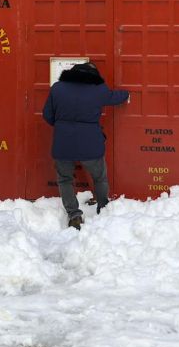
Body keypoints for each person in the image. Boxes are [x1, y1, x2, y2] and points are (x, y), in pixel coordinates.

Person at [42, 62, 129, 230]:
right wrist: (127, 94)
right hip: (90, 144)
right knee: (99, 177)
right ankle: (103, 207)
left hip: (63, 143)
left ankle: (74, 215)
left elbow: (47, 115)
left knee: (65, 179)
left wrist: (62, 125)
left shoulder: (57, 88)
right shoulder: (98, 89)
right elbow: (114, 97)